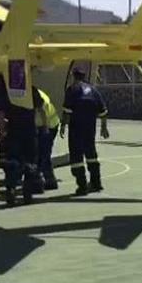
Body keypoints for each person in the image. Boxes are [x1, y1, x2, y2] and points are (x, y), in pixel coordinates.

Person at [61, 67, 109, 195]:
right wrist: (104, 128)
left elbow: (67, 111)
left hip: (76, 128)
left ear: (73, 76)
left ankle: (82, 186)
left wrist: (63, 126)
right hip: (90, 129)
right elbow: (103, 111)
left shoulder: (72, 89)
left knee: (76, 157)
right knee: (91, 154)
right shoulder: (93, 90)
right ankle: (96, 183)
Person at [2, 86, 43, 205]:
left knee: (12, 161)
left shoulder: (9, 90)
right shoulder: (31, 90)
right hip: (29, 130)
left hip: (13, 130)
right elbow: (40, 106)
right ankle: (27, 193)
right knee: (30, 162)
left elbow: (2, 111)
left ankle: (11, 189)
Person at [35, 87, 60, 190]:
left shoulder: (34, 94)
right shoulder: (36, 91)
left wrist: (45, 128)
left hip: (48, 126)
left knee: (44, 153)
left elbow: (42, 111)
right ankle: (45, 179)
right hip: (49, 124)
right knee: (42, 153)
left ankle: (48, 180)